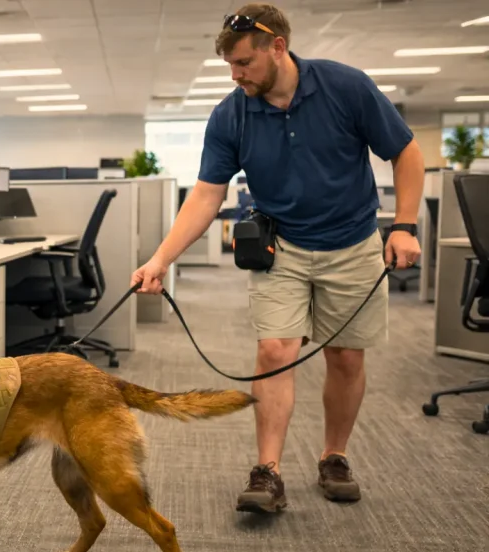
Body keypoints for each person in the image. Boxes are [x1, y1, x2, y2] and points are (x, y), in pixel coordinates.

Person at [130, 3, 424, 514]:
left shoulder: (345, 87)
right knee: (274, 352)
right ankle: (268, 471)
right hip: (280, 247)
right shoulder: (231, 113)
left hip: (352, 242)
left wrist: (404, 224)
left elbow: (406, 152)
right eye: (230, 65)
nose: (236, 74)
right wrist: (160, 260)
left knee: (346, 356)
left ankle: (335, 455)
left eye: (244, 63)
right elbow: (205, 196)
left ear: (278, 47)